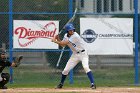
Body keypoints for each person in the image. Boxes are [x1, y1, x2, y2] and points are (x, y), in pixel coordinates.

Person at [51, 23, 96, 89]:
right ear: (67, 31)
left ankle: (93, 84)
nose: (72, 31)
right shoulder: (66, 35)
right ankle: (61, 84)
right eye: (70, 30)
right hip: (75, 54)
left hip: (83, 54)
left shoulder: (75, 36)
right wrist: (58, 39)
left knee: (86, 67)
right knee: (65, 70)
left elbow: (64, 43)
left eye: (72, 30)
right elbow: (62, 45)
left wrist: (55, 41)